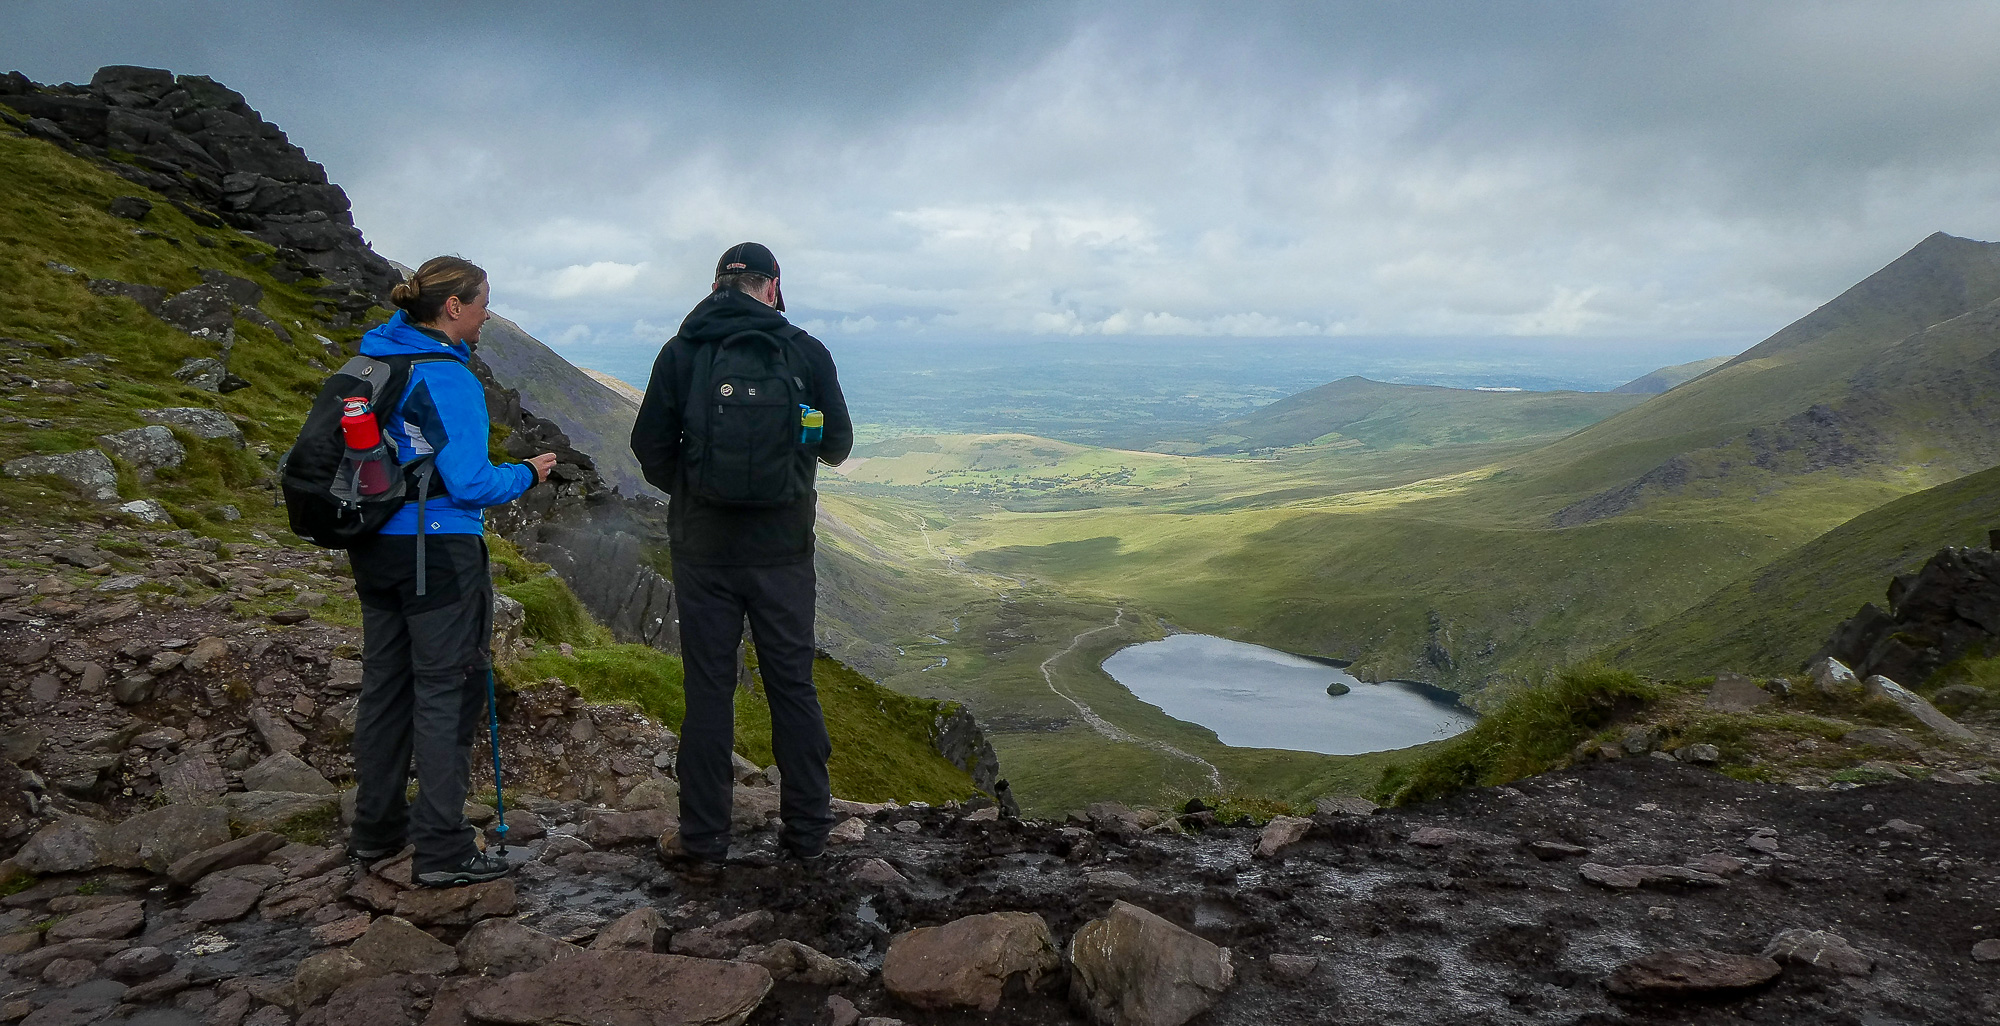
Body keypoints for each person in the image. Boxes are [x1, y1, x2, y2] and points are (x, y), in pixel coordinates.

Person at [631, 242, 853, 864]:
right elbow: (837, 443)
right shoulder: (804, 352)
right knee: (793, 687)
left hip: (704, 549)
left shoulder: (682, 351)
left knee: (708, 690)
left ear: (716, 286)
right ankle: (807, 837)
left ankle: (703, 842)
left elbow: (649, 445)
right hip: (782, 550)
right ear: (773, 286)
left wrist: (695, 487)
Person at [344, 256, 558, 887]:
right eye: (483, 301)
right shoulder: (446, 376)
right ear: (455, 307)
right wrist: (528, 473)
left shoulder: (371, 359)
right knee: (447, 691)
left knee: (385, 687)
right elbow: (469, 482)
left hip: (374, 546)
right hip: (436, 551)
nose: (489, 313)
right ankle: (442, 851)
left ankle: (376, 834)